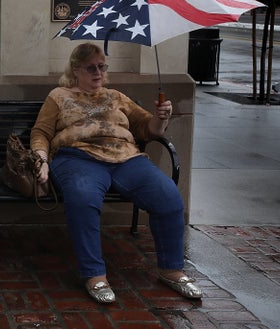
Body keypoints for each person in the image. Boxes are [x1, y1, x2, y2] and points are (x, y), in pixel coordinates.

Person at [30, 42, 202, 304]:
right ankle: (94, 274)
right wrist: (41, 160)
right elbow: (41, 132)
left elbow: (149, 129)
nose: (98, 72)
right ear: (76, 69)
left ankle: (171, 270)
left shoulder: (116, 97)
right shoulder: (59, 96)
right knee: (83, 199)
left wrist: (162, 117)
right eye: (91, 67)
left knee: (168, 197)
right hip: (78, 157)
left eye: (102, 66)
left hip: (125, 158)